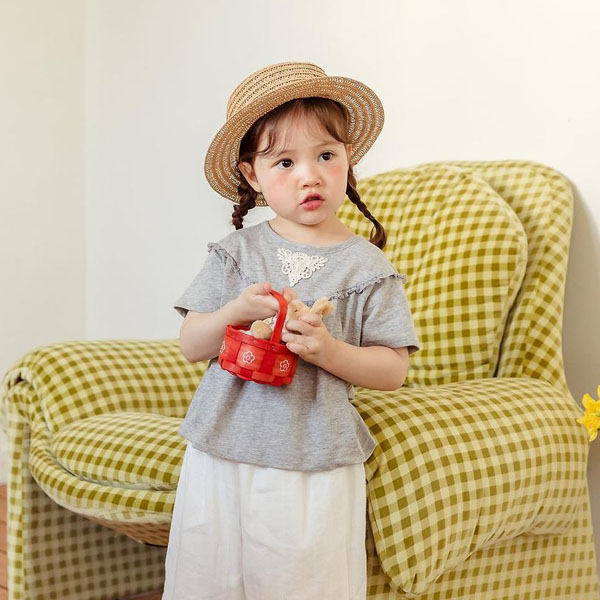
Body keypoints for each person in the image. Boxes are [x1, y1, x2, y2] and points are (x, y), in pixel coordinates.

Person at [161, 61, 421, 600]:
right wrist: (234, 311)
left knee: (303, 583)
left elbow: (392, 370)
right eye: (285, 162)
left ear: (348, 158)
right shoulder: (236, 254)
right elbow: (191, 345)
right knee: (208, 579)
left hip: (312, 461)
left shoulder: (367, 268)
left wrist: (328, 351)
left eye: (326, 155)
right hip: (220, 453)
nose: (310, 176)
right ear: (252, 176)